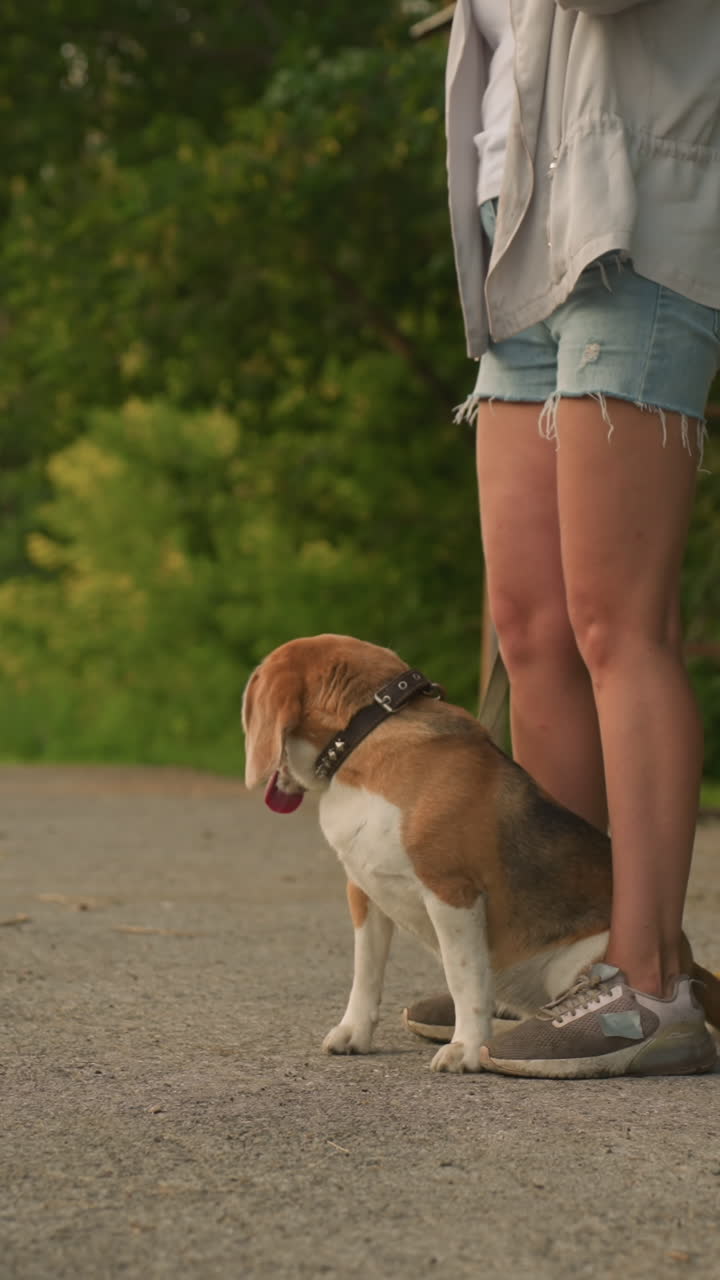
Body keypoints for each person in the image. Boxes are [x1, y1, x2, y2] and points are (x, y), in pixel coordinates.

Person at [406, 0, 720, 1076]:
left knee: (616, 622)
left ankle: (648, 981)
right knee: (531, 626)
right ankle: (570, 953)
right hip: (520, 232)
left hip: (635, 216)